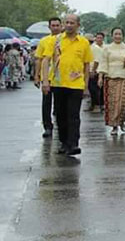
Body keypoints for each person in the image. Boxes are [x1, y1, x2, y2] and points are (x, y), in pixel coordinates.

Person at [41, 14, 93, 156]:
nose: (69, 25)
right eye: (67, 22)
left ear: (78, 25)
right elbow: (46, 60)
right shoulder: (56, 41)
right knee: (61, 114)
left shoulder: (83, 42)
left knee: (74, 115)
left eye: (72, 23)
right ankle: (64, 142)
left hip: (76, 84)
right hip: (58, 83)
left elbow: (87, 65)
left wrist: (86, 86)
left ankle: (74, 143)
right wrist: (45, 81)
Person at [98, 27, 125, 136]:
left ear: (123, 35)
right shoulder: (107, 49)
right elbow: (103, 63)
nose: (118, 36)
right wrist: (100, 77)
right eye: (115, 34)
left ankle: (122, 120)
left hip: (124, 78)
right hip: (111, 78)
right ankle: (114, 126)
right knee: (113, 104)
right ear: (112, 36)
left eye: (120, 34)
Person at [34, 17, 63, 138]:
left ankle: (61, 127)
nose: (55, 28)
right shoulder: (44, 41)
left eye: (57, 25)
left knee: (60, 103)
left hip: (61, 77)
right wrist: (36, 75)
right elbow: (39, 59)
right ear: (49, 27)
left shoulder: (65, 40)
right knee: (46, 102)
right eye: (53, 25)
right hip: (47, 76)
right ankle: (47, 126)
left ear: (61, 26)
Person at [88, 32, 105, 112]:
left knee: (95, 89)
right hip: (91, 70)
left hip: (97, 71)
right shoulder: (90, 47)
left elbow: (96, 61)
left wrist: (93, 71)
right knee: (92, 89)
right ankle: (94, 105)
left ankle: (98, 105)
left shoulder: (95, 48)